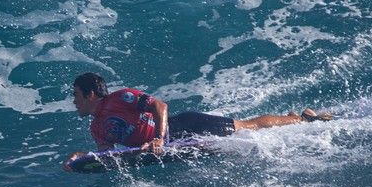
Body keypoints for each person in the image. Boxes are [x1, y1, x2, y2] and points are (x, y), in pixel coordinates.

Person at [64, 72, 331, 170]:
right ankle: (296, 118)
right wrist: (82, 157)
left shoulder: (121, 98)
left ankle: (301, 119)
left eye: (76, 95)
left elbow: (159, 105)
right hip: (170, 142)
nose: (74, 101)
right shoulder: (96, 127)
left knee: (248, 127)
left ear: (90, 94)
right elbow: (107, 155)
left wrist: (158, 137)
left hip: (184, 126)